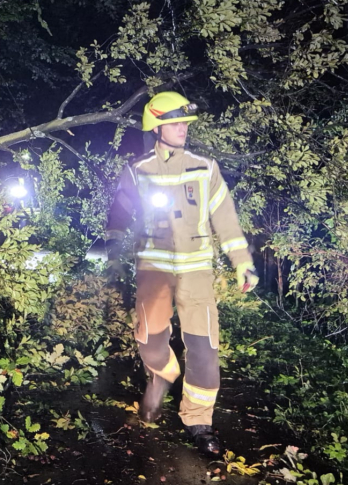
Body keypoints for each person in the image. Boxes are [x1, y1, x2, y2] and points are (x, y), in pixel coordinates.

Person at [103, 91, 259, 457]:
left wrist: (242, 261)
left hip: (196, 270)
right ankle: (163, 372)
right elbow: (119, 213)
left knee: (204, 346)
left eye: (185, 123)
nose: (182, 129)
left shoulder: (205, 168)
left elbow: (226, 217)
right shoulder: (138, 170)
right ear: (156, 127)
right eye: (174, 123)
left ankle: (199, 422)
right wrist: (113, 254)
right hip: (153, 269)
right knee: (150, 341)